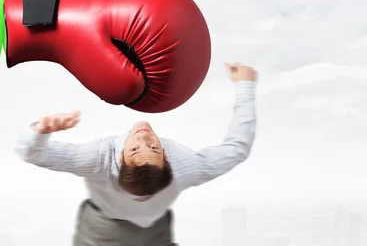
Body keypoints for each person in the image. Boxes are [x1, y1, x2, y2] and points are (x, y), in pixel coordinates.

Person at [14, 62, 258, 246]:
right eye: (151, 148)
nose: (144, 138)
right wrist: (245, 86)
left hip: (156, 231)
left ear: (121, 158)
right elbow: (237, 148)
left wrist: (41, 130)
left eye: (138, 148)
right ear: (166, 158)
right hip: (103, 232)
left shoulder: (101, 158)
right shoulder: (185, 165)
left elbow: (31, 152)